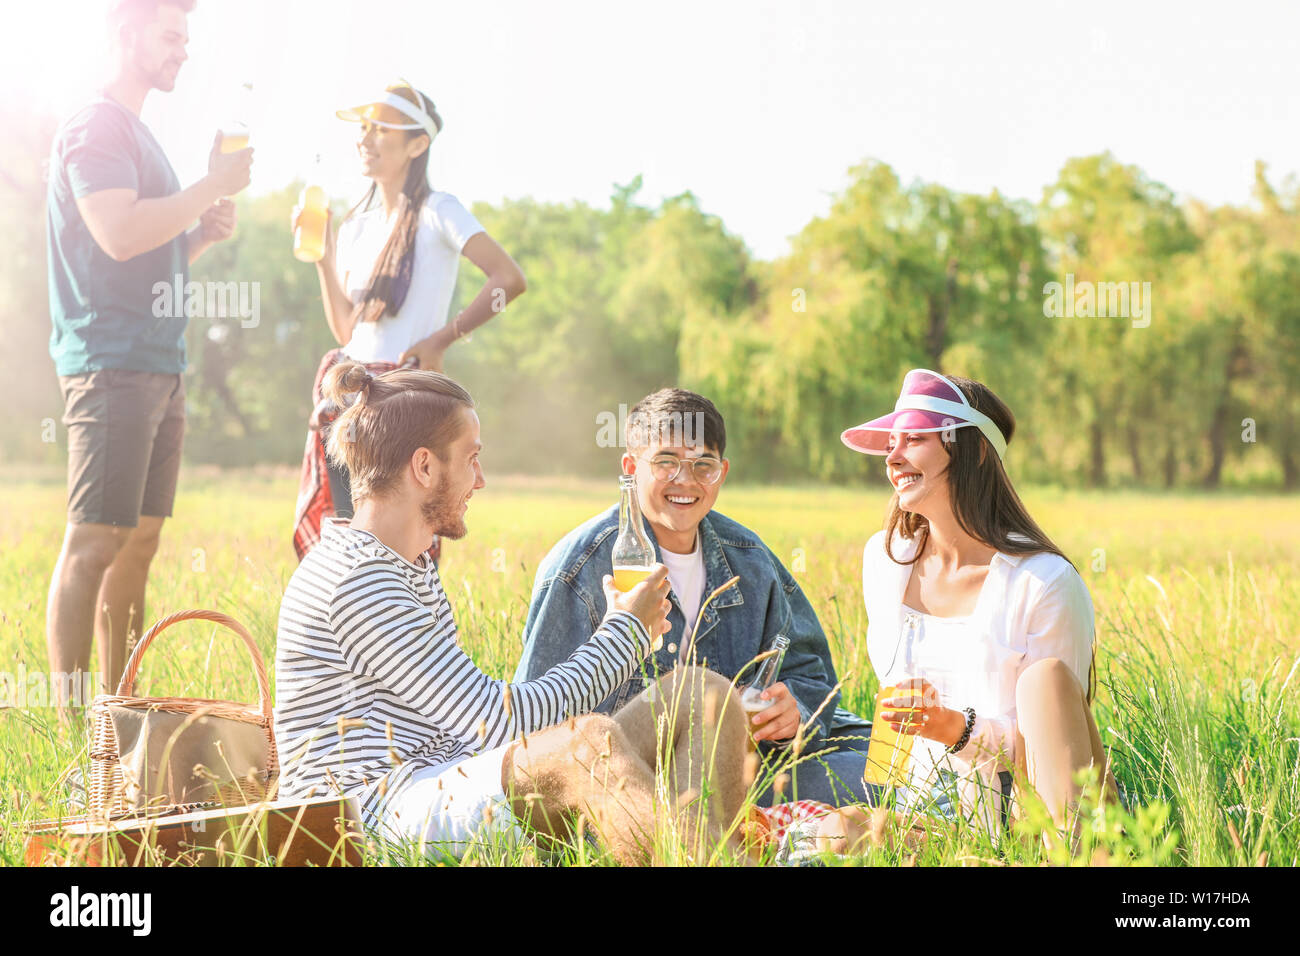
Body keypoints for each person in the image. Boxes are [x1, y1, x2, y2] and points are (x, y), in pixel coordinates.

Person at [274, 363, 750, 864]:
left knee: (703, 694)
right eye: (472, 459)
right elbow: (496, 725)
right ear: (424, 467)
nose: (480, 480)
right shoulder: (357, 579)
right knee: (590, 745)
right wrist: (626, 634)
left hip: (439, 783)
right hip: (370, 818)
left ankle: (707, 854)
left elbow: (470, 731)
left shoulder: (407, 564)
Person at [515, 388, 875, 807]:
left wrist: (795, 710)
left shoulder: (750, 560)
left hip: (744, 771)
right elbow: (536, 724)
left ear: (721, 472)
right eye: (666, 462)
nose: (685, 481)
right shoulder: (579, 569)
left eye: (702, 464)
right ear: (631, 467)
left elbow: (810, 674)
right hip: (629, 786)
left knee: (890, 771)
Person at [44, 0, 251, 707]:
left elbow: (147, 254)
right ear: (123, 34)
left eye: (186, 38)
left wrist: (200, 235)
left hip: (162, 364)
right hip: (112, 363)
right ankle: (71, 723)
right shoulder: (96, 125)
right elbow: (118, 234)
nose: (183, 50)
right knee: (95, 542)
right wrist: (208, 189)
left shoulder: (138, 132)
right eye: (170, 35)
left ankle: (120, 709)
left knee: (139, 543)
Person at [819, 368, 1116, 849]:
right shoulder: (886, 558)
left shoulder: (1044, 582)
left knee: (1042, 680)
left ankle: (1062, 861)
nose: (892, 458)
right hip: (927, 812)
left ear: (975, 451)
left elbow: (1056, 741)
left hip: (1028, 812)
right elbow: (893, 716)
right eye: (890, 443)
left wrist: (953, 727)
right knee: (838, 831)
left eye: (913, 438)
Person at [292, 80, 525, 563]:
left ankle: (414, 632)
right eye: (364, 128)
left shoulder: (439, 210)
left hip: (403, 392)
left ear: (417, 144)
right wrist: (323, 255)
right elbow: (346, 331)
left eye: (381, 128)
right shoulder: (356, 225)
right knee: (346, 534)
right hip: (350, 390)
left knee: (409, 533)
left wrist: (444, 338)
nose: (366, 137)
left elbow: (509, 279)